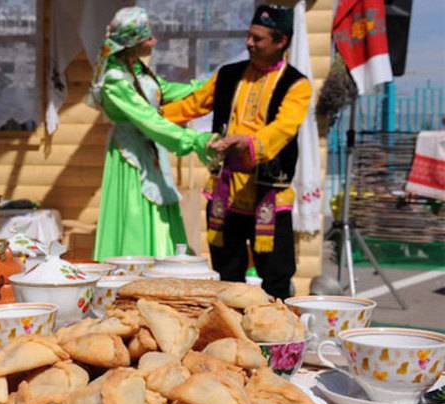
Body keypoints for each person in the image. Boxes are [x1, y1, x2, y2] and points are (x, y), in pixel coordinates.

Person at [162, 5, 312, 300]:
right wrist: (153, 116)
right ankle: (230, 334)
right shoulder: (228, 75)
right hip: (225, 191)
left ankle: (276, 339)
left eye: (258, 39)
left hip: (268, 193)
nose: (249, 44)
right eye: (249, 36)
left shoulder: (297, 85)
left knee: (276, 275)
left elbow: (283, 128)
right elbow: (192, 105)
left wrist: (248, 143)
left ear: (281, 41)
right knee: (227, 271)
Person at [90, 7, 219, 261]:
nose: (154, 41)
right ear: (133, 42)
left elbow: (165, 91)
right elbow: (148, 119)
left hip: (151, 153)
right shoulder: (115, 80)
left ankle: (163, 264)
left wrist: (211, 86)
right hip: (132, 158)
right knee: (135, 213)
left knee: (160, 210)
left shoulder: (137, 70)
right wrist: (193, 140)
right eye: (148, 37)